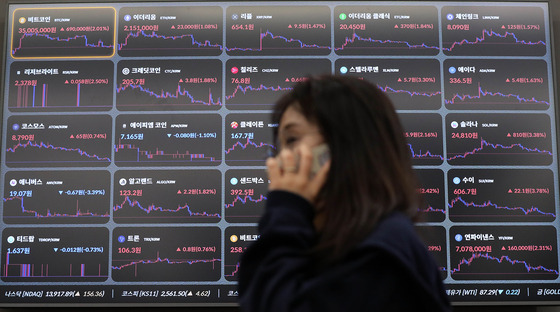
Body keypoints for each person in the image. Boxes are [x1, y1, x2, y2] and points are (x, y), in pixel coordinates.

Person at [238, 75, 451, 312]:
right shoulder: (359, 248)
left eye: (292, 139)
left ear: (342, 146)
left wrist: (286, 209)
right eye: (279, 147)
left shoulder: (380, 259)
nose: (277, 162)